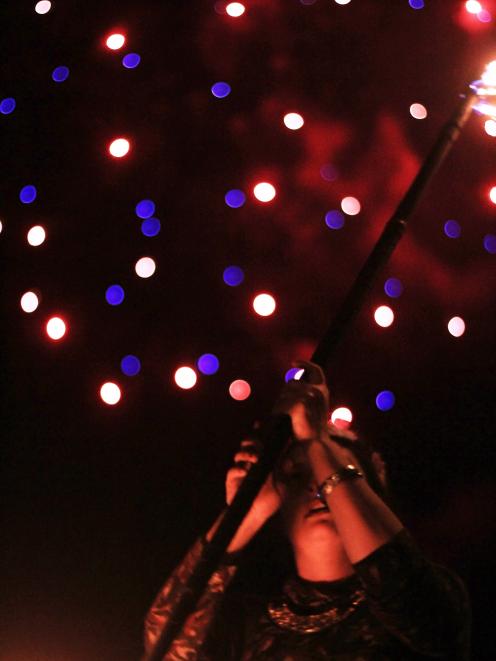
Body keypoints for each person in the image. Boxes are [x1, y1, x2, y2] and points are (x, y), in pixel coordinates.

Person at [143, 361, 471, 660]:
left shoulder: (425, 601)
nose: (319, 487)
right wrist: (246, 514)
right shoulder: (247, 623)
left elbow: (412, 596)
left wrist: (317, 443)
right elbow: (166, 642)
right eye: (299, 476)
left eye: (335, 472)